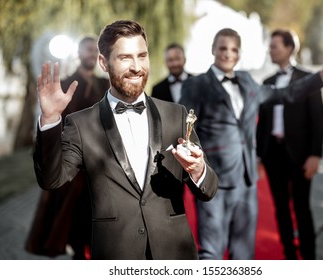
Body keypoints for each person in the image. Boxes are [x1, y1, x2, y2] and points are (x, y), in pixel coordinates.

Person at [32, 19, 218, 260]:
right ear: (103, 62)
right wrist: (50, 120)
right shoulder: (81, 124)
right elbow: (51, 179)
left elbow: (209, 190)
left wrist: (198, 169)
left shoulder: (177, 115)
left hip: (175, 254)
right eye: (125, 58)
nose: (137, 67)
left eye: (142, 56)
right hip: (115, 255)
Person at [179, 28, 323, 260]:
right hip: (214, 182)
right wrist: (198, 169)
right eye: (223, 48)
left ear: (239, 53)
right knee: (211, 252)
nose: (227, 54)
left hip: (246, 181)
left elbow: (285, 94)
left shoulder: (246, 81)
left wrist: (321, 74)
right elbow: (186, 128)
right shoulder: (197, 85)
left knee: (243, 254)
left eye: (233, 49)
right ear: (213, 50)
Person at [25, 36, 109, 259]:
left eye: (95, 50)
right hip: (72, 165)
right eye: (88, 50)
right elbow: (54, 124)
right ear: (79, 54)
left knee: (98, 223)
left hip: (100, 166)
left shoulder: (105, 85)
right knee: (72, 222)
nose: (91, 54)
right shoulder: (64, 84)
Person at [256, 29, 323, 259]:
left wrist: (315, 154)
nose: (270, 50)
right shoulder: (267, 82)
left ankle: (309, 259)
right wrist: (259, 155)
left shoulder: (308, 79)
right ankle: (289, 258)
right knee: (281, 209)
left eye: (275, 46)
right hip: (273, 154)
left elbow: (318, 119)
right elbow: (262, 124)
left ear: (289, 48)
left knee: (302, 209)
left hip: (301, 154)